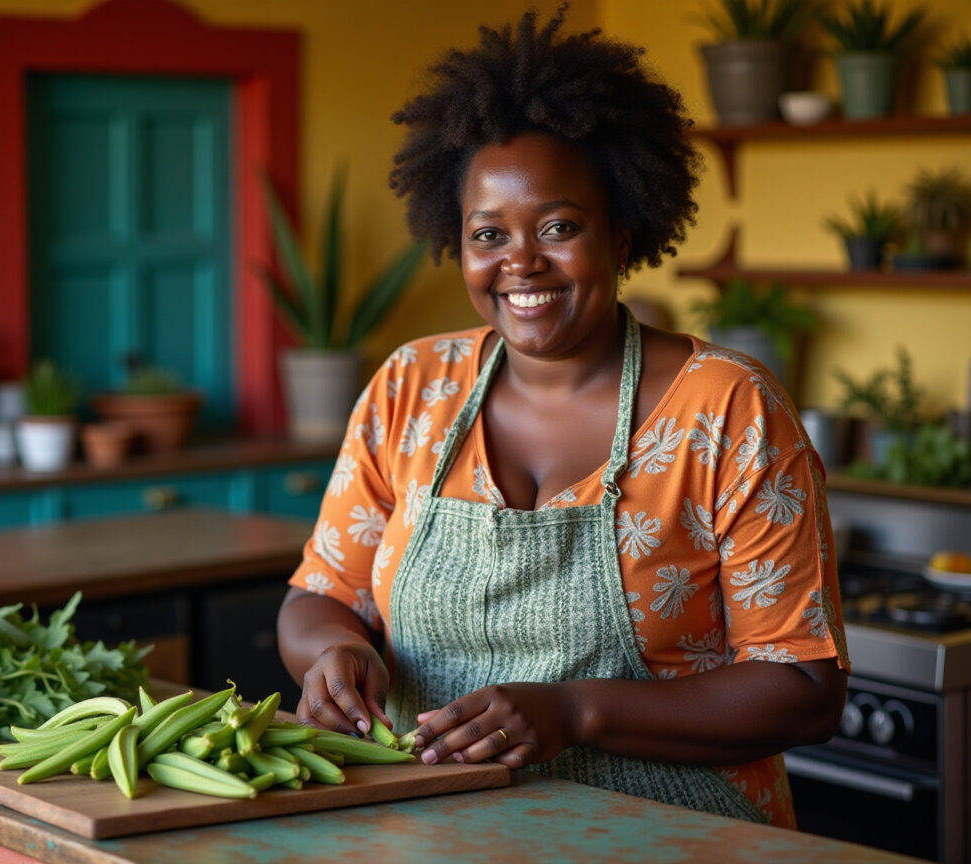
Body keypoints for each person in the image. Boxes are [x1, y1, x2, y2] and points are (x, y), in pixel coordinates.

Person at [276, 7, 848, 827]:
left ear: (623, 232)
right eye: (488, 234)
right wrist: (336, 654)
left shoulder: (728, 408)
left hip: (674, 832)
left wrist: (575, 713)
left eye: (559, 227)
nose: (521, 263)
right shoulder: (411, 386)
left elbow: (804, 690)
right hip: (428, 829)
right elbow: (319, 597)